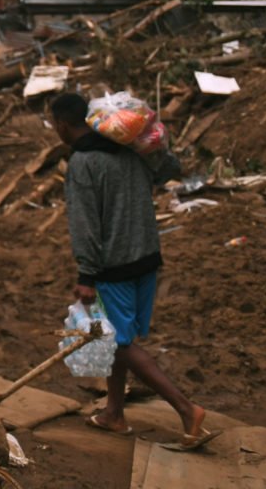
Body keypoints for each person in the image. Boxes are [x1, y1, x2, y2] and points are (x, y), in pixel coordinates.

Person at [50, 92, 218, 450]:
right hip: (147, 257)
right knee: (120, 338)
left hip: (114, 267)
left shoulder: (83, 162)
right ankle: (114, 413)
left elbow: (85, 225)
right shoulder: (129, 148)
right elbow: (170, 168)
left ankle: (187, 411)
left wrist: (86, 275)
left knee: (118, 344)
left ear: (62, 124)